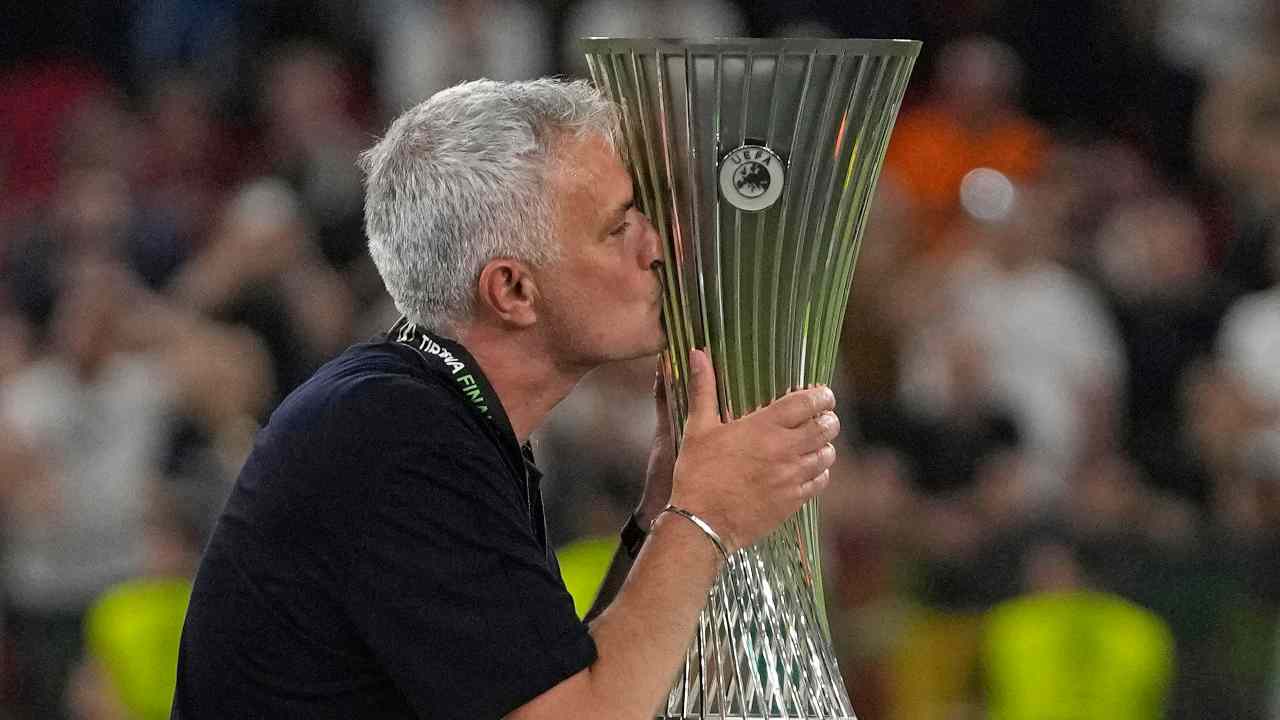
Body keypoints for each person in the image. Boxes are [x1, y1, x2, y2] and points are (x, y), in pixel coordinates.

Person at [171, 77, 841, 719]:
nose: (657, 246)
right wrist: (704, 516)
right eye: (618, 228)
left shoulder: (419, 413)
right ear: (513, 291)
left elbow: (555, 687)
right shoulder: (396, 441)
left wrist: (662, 512)